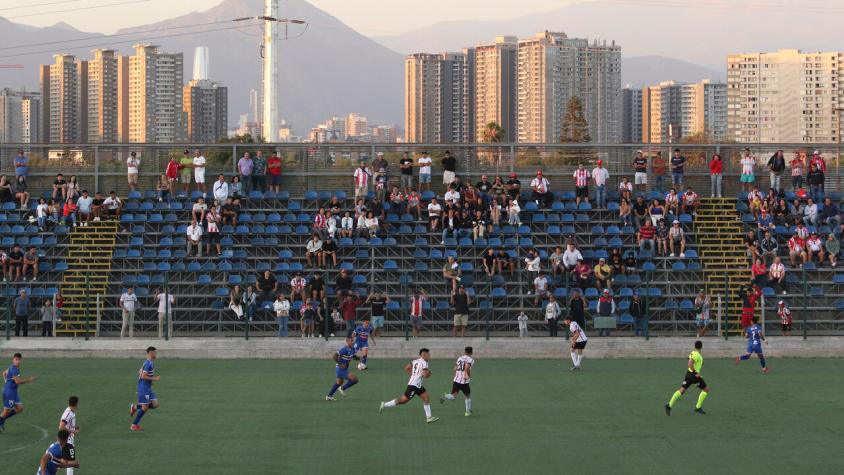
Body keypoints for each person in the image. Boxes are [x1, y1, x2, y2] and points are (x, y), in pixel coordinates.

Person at [378, 348, 438, 423]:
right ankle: (384, 404)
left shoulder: (415, 361)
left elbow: (406, 368)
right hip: (414, 386)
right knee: (403, 401)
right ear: (424, 355)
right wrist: (429, 373)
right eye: (428, 355)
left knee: (426, 398)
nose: (430, 356)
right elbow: (425, 375)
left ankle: (429, 417)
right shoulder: (425, 363)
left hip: (417, 385)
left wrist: (413, 375)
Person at [665, 340, 709, 415]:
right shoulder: (697, 355)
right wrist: (696, 373)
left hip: (689, 374)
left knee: (681, 390)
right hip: (695, 376)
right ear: (701, 347)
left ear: (694, 346)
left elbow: (693, 362)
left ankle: (669, 405)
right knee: (706, 390)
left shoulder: (694, 353)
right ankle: (698, 407)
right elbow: (690, 364)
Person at [0, 353, 35, 431]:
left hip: (14, 392)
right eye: (16, 359)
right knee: (6, 411)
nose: (18, 361)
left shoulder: (13, 367)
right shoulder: (14, 369)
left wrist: (6, 381)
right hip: (9, 393)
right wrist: (29, 380)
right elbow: (18, 382)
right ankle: (1, 420)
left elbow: (4, 373)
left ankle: (2, 420)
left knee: (20, 408)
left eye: (19, 360)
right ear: (13, 359)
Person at [130, 347, 160, 431]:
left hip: (147, 386)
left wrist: (150, 382)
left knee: (155, 405)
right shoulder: (148, 364)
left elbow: (140, 371)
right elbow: (143, 376)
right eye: (154, 352)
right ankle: (133, 425)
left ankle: (135, 407)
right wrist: (154, 379)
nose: (156, 354)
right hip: (143, 388)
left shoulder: (148, 362)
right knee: (145, 407)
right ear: (150, 353)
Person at [439, 347, 474, 416]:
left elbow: (454, 368)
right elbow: (467, 367)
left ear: (465, 352)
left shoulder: (460, 358)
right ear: (471, 352)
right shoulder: (471, 360)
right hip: (464, 382)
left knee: (453, 396)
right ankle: (467, 412)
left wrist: (457, 376)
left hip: (456, 380)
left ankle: (445, 395)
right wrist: (468, 375)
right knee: (467, 396)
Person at [325, 336, 359, 401]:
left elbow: (352, 355)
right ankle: (342, 388)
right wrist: (340, 364)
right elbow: (334, 356)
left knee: (339, 382)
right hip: (340, 369)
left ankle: (329, 396)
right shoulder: (344, 349)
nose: (353, 342)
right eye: (351, 341)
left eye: (353, 340)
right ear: (347, 342)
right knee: (355, 379)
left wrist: (358, 358)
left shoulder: (352, 349)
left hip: (344, 369)